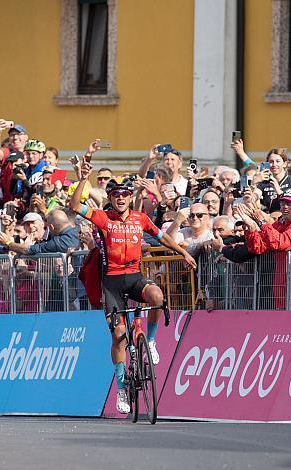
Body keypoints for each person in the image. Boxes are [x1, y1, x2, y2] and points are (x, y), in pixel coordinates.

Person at [69, 160, 196, 415]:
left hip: (135, 277)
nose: (120, 199)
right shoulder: (104, 219)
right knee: (118, 335)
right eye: (115, 195)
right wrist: (83, 178)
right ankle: (121, 388)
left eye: (125, 195)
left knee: (157, 296)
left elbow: (163, 237)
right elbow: (74, 206)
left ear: (130, 198)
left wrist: (183, 252)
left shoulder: (140, 218)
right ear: (111, 198)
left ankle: (150, 341)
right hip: (112, 283)